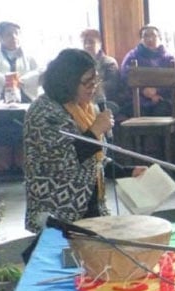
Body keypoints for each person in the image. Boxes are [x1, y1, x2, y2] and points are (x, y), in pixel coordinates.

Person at [23, 49, 146, 237]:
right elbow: (63, 162)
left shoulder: (87, 107)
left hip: (90, 204)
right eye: (87, 83)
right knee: (62, 264)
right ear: (67, 81)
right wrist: (95, 130)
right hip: (59, 209)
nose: (94, 87)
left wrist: (125, 172)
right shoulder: (43, 112)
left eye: (95, 81)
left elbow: (95, 159)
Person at [119, 25, 175, 117]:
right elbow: (125, 76)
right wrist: (143, 90)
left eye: (153, 36)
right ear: (141, 39)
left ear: (159, 38)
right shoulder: (132, 56)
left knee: (163, 111)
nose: (150, 39)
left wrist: (157, 91)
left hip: (162, 97)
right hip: (137, 97)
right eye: (146, 36)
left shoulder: (169, 58)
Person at [0, 21, 41, 102]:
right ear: (0, 38)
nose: (14, 37)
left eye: (16, 33)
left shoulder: (30, 56)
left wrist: (23, 81)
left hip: (27, 100)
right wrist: (3, 79)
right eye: (9, 34)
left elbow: (40, 73)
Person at [80, 28, 123, 112]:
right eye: (85, 42)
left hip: (105, 100)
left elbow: (112, 85)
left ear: (99, 44)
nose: (87, 45)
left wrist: (90, 89)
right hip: (82, 100)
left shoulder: (109, 62)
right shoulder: (77, 64)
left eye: (91, 42)